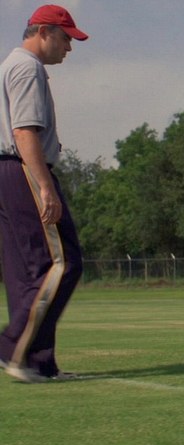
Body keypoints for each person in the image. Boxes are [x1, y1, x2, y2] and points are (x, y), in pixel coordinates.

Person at [0, 5, 88, 383]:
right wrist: (45, 187)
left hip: (7, 171)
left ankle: (38, 363)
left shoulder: (9, 65)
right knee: (61, 263)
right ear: (44, 32)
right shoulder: (27, 68)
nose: (69, 47)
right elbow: (24, 132)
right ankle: (11, 348)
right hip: (24, 169)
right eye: (66, 38)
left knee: (26, 272)